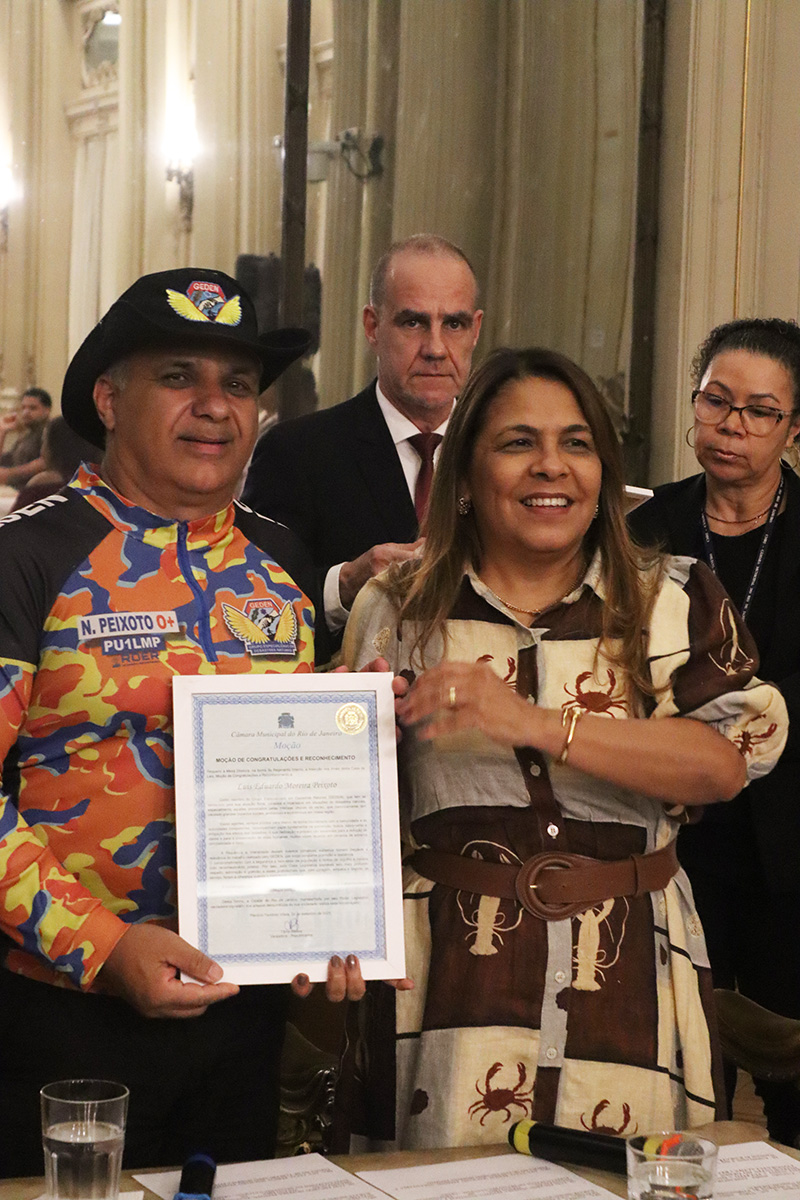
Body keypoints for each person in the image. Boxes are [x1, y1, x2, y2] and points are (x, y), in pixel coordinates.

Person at [341, 346, 787, 1149]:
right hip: (445, 984)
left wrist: (537, 722)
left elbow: (725, 763)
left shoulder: (672, 600)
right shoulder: (397, 607)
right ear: (467, 475)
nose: (553, 467)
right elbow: (344, 802)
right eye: (518, 443)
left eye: (577, 443)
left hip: (630, 984)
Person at [0, 267, 367, 1176]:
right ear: (109, 398)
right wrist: (106, 947)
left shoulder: (281, 561)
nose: (214, 407)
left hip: (242, 1014)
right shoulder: (31, 554)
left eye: (237, 385)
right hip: (63, 1012)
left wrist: (334, 917)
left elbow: (301, 781)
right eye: (179, 377)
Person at [629, 317, 800, 1147]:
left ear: (794, 427)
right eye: (716, 402)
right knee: (683, 1076)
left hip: (787, 842)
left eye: (759, 411)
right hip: (671, 831)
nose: (732, 425)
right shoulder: (642, 529)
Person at [242, 234, 483, 641]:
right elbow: (250, 610)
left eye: (454, 324)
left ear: (475, 330)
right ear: (372, 327)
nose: (436, 349)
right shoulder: (298, 454)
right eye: (413, 322)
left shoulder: (502, 455)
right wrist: (347, 584)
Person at [10, 415, 97, 510]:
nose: (41, 450)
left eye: (44, 442)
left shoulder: (42, 486)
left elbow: (10, 523)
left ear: (54, 448)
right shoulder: (100, 486)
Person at [0, 386, 51, 486]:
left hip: (38, 492)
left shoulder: (51, 432)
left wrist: (9, 473)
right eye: (23, 408)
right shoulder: (25, 436)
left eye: (32, 408)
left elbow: (45, 462)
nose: (26, 412)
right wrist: (3, 431)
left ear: (46, 410)